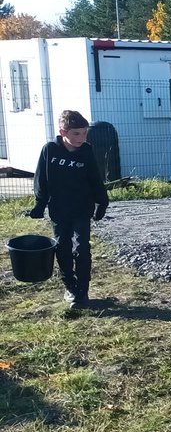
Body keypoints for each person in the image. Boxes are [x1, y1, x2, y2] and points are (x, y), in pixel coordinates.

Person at [27, 110, 109, 309]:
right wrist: (40, 203)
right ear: (63, 132)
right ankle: (70, 286)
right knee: (62, 248)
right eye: (76, 134)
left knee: (82, 248)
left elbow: (95, 180)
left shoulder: (86, 151)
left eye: (84, 133)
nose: (82, 138)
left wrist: (102, 201)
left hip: (82, 209)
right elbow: (41, 180)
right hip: (59, 210)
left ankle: (82, 291)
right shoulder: (50, 150)